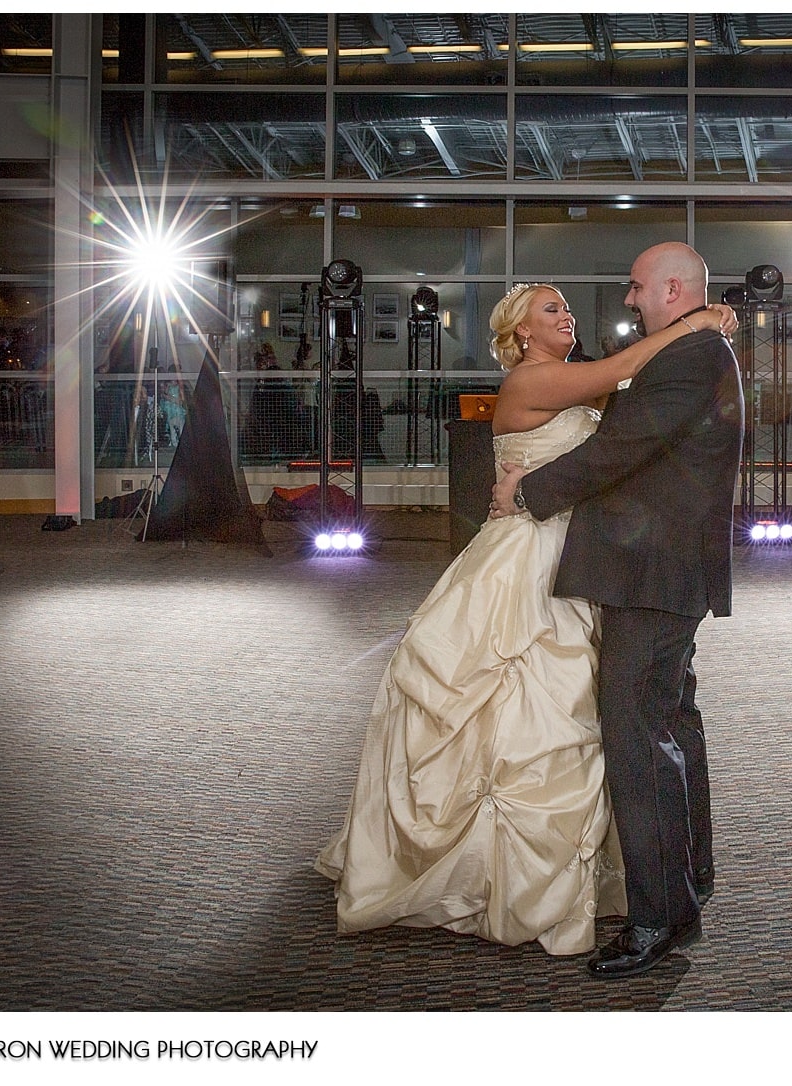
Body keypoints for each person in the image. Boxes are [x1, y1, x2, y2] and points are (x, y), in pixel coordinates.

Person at [315, 283, 738, 956]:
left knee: (594, 708)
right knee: (520, 704)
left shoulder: (570, 383)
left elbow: (625, 429)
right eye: (551, 310)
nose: (566, 317)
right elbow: (623, 371)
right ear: (520, 335)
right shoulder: (528, 383)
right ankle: (490, 875)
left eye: (568, 309)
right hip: (526, 560)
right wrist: (699, 323)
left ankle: (637, 869)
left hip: (579, 551)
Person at [490, 242, 745, 978]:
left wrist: (526, 494)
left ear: (671, 289)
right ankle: (690, 872)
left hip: (653, 573)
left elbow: (620, 449)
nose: (628, 300)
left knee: (638, 736)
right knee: (673, 721)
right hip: (663, 569)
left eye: (636, 288)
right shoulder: (693, 350)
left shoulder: (693, 358)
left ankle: (661, 918)